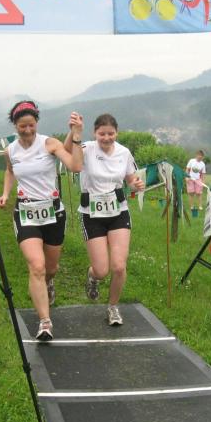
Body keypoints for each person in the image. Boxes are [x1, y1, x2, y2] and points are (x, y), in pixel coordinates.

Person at [0, 101, 84, 341]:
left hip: (53, 212)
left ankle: (49, 283)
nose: (27, 130)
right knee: (36, 266)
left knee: (50, 269)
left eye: (31, 125)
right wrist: (5, 194)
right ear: (15, 125)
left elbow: (76, 166)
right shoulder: (10, 150)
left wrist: (76, 135)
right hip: (26, 212)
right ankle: (45, 322)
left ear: (37, 123)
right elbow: (10, 171)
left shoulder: (49, 144)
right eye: (22, 126)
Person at [64, 114, 145, 326]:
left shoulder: (124, 152)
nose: (106, 138)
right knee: (101, 270)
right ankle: (93, 276)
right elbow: (68, 155)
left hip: (118, 211)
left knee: (118, 266)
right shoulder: (86, 148)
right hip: (92, 214)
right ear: (95, 133)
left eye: (111, 133)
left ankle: (113, 307)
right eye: (102, 134)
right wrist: (74, 131)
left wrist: (136, 185)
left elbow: (131, 179)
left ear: (116, 133)